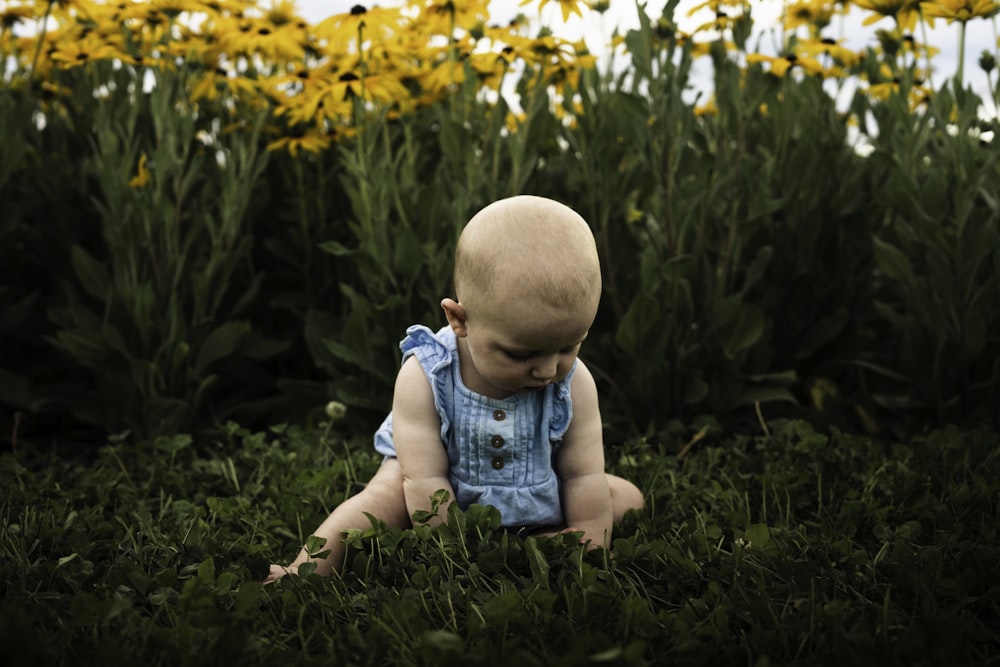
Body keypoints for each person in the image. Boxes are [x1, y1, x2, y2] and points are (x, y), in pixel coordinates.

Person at [266, 195, 643, 582]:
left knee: (626, 498)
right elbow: (423, 478)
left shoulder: (574, 381)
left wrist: (590, 534)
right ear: (459, 318)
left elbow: (582, 475)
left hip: (535, 490)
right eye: (520, 354)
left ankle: (545, 541)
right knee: (382, 496)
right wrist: (452, 552)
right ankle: (305, 569)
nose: (548, 370)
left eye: (568, 346)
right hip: (434, 493)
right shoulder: (426, 375)